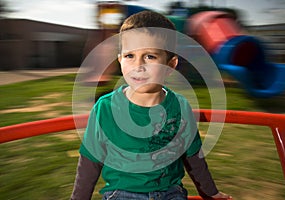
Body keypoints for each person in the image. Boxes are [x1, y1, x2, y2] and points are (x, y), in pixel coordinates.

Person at [71, 10, 231, 200]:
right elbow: (90, 161)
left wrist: (210, 193)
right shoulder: (105, 108)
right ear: (120, 59)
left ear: (170, 66)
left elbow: (193, 156)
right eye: (130, 56)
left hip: (171, 192)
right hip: (122, 194)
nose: (138, 66)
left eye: (150, 57)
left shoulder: (180, 107)